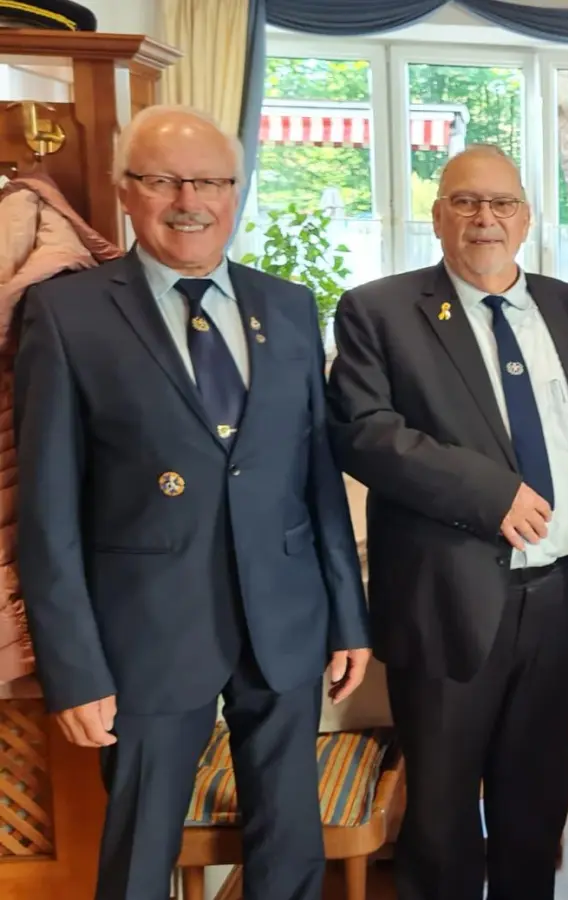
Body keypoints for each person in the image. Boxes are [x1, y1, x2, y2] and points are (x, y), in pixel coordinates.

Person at [13, 104, 370, 900]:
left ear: (236, 190)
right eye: (165, 179)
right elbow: (47, 513)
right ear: (126, 190)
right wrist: (73, 667)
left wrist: (349, 616)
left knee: (289, 844)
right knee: (141, 850)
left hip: (283, 622)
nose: (191, 200)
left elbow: (317, 480)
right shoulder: (67, 315)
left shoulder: (287, 305)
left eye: (211, 181)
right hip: (144, 635)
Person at [325, 143, 568, 900]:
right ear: (437, 217)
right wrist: (491, 492)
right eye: (466, 202)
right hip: (446, 596)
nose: (485, 219)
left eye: (501, 203)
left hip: (557, 594)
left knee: (537, 801)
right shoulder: (380, 311)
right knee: (441, 811)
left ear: (527, 217)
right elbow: (365, 432)